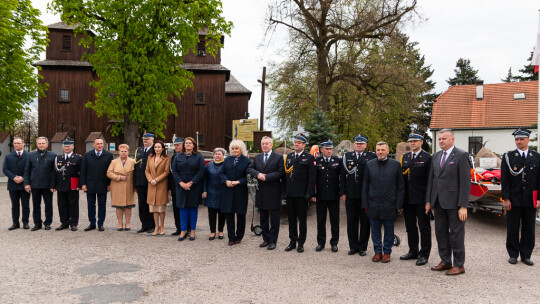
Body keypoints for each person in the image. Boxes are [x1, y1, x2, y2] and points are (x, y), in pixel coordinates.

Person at [425, 128, 470, 275]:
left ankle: (459, 264)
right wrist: (429, 201)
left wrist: (463, 205)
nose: (441, 141)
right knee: (440, 233)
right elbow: (432, 180)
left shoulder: (461, 155)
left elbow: (465, 182)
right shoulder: (436, 156)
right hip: (438, 202)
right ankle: (445, 261)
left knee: (456, 234)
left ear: (452, 139)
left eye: (444, 139)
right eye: (439, 139)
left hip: (454, 204)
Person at [501, 128, 539, 266]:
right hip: (514, 199)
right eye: (517, 139)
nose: (519, 142)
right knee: (513, 227)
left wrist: (539, 198)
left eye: (522, 139)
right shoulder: (508, 157)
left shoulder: (536, 157)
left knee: (529, 228)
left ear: (528, 140)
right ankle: (513, 254)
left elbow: (539, 179)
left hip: (530, 199)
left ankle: (526, 255)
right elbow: (505, 180)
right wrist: (506, 198)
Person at [362, 142, 404, 263]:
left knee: (389, 230)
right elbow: (365, 185)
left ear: (387, 150)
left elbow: (400, 186)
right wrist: (365, 203)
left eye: (383, 150)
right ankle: (377, 252)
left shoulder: (395, 165)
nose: (380, 152)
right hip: (373, 203)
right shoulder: (369, 165)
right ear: (376, 151)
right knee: (375, 231)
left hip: (389, 204)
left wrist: (399, 205)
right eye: (378, 150)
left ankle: (387, 252)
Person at [340, 133, 376, 256]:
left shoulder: (371, 156)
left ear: (365, 145)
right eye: (356, 143)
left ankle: (362, 247)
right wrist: (343, 192)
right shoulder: (347, 156)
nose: (358, 145)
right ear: (353, 144)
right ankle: (353, 246)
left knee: (365, 222)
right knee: (351, 222)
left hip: (365, 195)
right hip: (350, 194)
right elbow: (343, 177)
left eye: (361, 143)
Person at [399, 131, 432, 266]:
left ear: (421, 142)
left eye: (415, 141)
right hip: (408, 199)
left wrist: (429, 201)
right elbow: (402, 180)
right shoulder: (405, 157)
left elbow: (430, 181)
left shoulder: (427, 157)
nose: (412, 143)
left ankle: (424, 254)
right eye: (410, 141)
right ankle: (413, 251)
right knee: (410, 227)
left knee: (424, 228)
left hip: (422, 199)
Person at [248, 136, 284, 250]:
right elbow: (249, 169)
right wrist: (258, 174)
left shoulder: (278, 157)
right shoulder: (257, 157)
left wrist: (266, 177)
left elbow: (280, 172)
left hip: (274, 191)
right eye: (263, 143)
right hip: (261, 192)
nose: (264, 145)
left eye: (267, 143)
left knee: (274, 219)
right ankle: (266, 239)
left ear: (271, 145)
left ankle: (273, 241)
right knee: (263, 218)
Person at [282, 132, 315, 253]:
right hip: (290, 194)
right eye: (295, 142)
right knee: (291, 219)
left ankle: (301, 243)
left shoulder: (309, 157)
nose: (296, 144)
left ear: (304, 144)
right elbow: (285, 176)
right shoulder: (289, 157)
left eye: (299, 143)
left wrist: (309, 193)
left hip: (302, 195)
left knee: (302, 220)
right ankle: (292, 241)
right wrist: (284, 191)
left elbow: (312, 178)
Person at [312, 140, 343, 252]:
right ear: (322, 150)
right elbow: (313, 179)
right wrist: (313, 193)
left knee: (335, 221)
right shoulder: (317, 161)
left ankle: (334, 243)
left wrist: (342, 192)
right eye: (327, 149)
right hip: (320, 196)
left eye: (330, 149)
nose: (329, 151)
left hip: (334, 196)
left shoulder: (337, 161)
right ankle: (321, 243)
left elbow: (342, 178)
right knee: (321, 221)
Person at [172, 137, 205, 241]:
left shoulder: (199, 156)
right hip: (181, 186)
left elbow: (201, 171)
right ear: (184, 145)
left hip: (194, 186)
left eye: (190, 143)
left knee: (193, 208)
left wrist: (191, 183)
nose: (188, 145)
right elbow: (174, 171)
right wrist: (181, 183)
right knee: (183, 208)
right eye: (186, 143)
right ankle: (183, 231)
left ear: (194, 145)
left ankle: (193, 232)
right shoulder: (178, 156)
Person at [220, 141, 250, 245]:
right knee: (229, 215)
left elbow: (249, 177)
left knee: (241, 215)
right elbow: (221, 173)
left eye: (236, 148)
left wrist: (239, 182)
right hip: (228, 191)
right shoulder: (227, 160)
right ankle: (231, 238)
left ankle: (239, 237)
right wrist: (226, 181)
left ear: (241, 149)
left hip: (240, 191)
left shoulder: (247, 161)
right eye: (233, 149)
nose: (234, 150)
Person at [80, 138, 114, 231]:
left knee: (102, 204)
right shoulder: (87, 155)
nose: (100, 145)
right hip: (90, 184)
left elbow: (111, 171)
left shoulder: (108, 155)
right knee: (91, 204)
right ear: (94, 145)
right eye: (98, 144)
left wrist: (109, 184)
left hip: (103, 184)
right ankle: (92, 223)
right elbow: (83, 171)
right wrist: (83, 184)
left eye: (101, 143)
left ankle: (100, 223)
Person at [24, 137, 57, 231]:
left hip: (47, 185)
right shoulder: (31, 155)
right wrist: (27, 183)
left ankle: (48, 223)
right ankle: (37, 223)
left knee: (48, 205)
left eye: (43, 143)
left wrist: (53, 185)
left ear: (47, 144)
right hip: (35, 185)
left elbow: (55, 172)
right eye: (39, 143)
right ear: (36, 144)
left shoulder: (53, 155)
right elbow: (27, 171)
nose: (41, 145)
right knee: (36, 205)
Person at [51, 139, 83, 231]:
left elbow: (81, 172)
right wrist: (53, 185)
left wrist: (80, 185)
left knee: (73, 204)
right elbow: (54, 173)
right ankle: (64, 223)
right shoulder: (58, 158)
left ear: (73, 146)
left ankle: (73, 223)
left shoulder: (78, 158)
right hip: (61, 184)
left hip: (73, 183)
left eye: (69, 146)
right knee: (62, 204)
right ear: (62, 147)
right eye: (65, 146)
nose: (67, 148)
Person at [3, 136, 30, 230]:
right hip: (13, 184)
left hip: (24, 184)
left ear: (23, 144)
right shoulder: (8, 156)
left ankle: (25, 223)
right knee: (14, 205)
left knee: (25, 205)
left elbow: (31, 169)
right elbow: (5, 169)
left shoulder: (29, 156)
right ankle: (15, 223)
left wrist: (23, 177)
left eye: (18, 143)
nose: (16, 145)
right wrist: (14, 177)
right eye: (15, 143)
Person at [107, 144, 136, 231]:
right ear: (119, 152)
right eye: (122, 151)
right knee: (118, 206)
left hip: (129, 187)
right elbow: (109, 173)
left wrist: (135, 186)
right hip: (117, 187)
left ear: (128, 152)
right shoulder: (114, 162)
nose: (123, 153)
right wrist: (119, 177)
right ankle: (120, 224)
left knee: (128, 206)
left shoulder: (133, 161)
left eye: (125, 151)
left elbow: (136, 175)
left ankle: (127, 223)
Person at [145, 140, 170, 235]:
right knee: (154, 209)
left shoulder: (166, 158)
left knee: (161, 209)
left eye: (159, 147)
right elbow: (147, 171)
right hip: (151, 185)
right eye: (155, 147)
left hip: (161, 185)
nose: (157, 149)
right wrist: (151, 180)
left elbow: (166, 172)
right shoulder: (150, 157)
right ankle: (156, 227)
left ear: (163, 148)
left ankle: (162, 226)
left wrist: (156, 180)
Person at [203, 147, 227, 240]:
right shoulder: (209, 165)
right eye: (216, 154)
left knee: (222, 214)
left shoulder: (226, 165)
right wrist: (204, 190)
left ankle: (220, 231)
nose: (217, 156)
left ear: (223, 155)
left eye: (219, 154)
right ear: (213, 155)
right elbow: (205, 179)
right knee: (211, 214)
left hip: (223, 192)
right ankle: (212, 232)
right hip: (211, 192)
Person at [133, 131, 155, 233]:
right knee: (142, 205)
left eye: (147, 139)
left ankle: (152, 225)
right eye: (143, 140)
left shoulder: (156, 150)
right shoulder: (139, 150)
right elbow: (136, 167)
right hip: (140, 182)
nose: (145, 141)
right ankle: (144, 225)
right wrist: (135, 183)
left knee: (150, 204)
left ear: (152, 140)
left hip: (151, 182)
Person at [168, 137, 184, 235]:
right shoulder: (173, 157)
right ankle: (178, 228)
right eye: (175, 145)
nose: (176, 146)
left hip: (185, 185)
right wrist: (169, 188)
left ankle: (187, 228)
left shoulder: (188, 155)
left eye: (178, 145)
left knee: (185, 208)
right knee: (176, 208)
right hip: (175, 186)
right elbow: (170, 173)